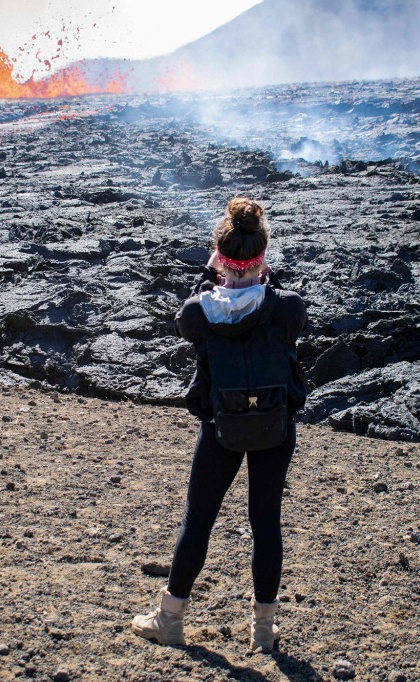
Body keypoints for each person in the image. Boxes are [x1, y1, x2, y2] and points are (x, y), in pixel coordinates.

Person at [131, 197, 308, 652]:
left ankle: (169, 619)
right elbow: (278, 311)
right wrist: (261, 276)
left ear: (219, 257)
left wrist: (211, 277)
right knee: (266, 522)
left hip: (221, 426)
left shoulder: (197, 313)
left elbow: (194, 310)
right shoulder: (288, 306)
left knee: (199, 520)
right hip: (274, 426)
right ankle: (264, 630)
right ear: (263, 255)